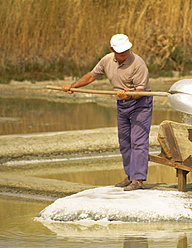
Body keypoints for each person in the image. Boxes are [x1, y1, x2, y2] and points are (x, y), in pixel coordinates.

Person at [62, 34, 153, 191]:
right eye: (120, 51)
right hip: (122, 104)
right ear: (112, 50)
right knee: (124, 142)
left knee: (138, 141)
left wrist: (128, 94)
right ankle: (130, 176)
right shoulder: (106, 60)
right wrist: (74, 86)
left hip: (140, 103)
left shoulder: (138, 63)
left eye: (126, 50)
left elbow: (139, 90)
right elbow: (92, 75)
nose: (124, 53)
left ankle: (138, 179)